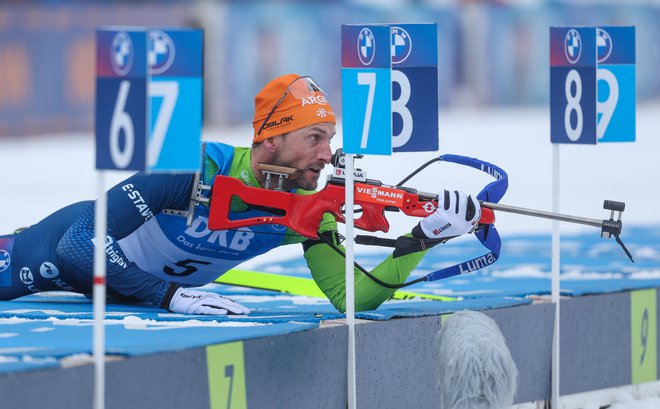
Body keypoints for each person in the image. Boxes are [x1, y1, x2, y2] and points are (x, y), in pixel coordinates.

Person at [0, 74, 481, 315]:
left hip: (116, 300)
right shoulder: (196, 168)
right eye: (314, 138)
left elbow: (352, 300)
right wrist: (169, 297)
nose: (326, 154)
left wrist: (421, 239)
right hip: (35, 259)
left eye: (330, 141)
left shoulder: (311, 208)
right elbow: (77, 245)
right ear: (271, 138)